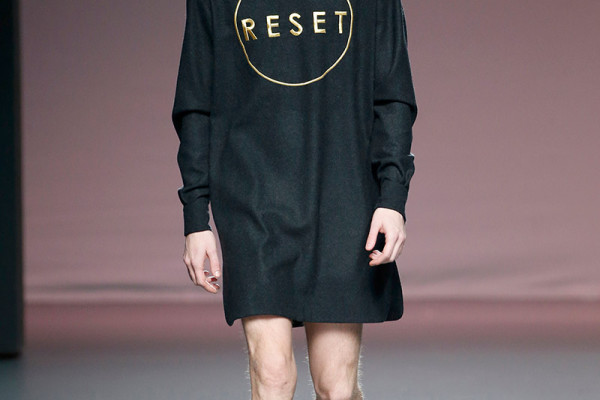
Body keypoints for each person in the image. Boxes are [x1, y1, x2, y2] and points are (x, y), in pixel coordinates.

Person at [171, 0, 418, 398]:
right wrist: (195, 216)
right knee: (273, 378)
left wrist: (392, 197)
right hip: (252, 195)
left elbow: (393, 93)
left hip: (343, 196)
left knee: (336, 387)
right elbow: (196, 99)